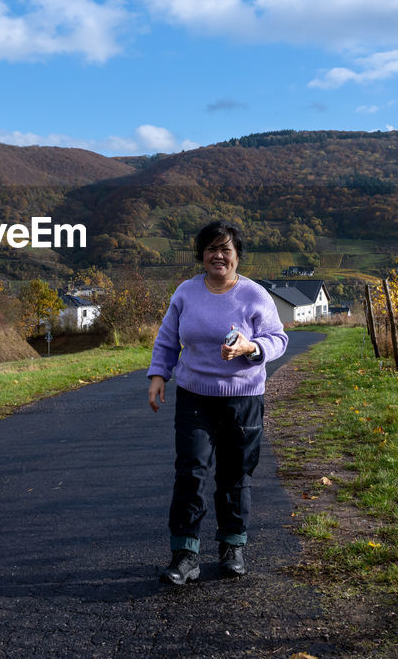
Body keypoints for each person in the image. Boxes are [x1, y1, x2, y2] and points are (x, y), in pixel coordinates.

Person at [146, 220, 288, 584]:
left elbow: (278, 339)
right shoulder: (186, 293)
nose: (218, 255)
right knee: (191, 471)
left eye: (226, 249)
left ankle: (232, 547)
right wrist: (159, 375)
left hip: (243, 399)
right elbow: (167, 339)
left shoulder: (255, 295)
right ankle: (185, 555)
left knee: (235, 474)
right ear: (201, 255)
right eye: (211, 249)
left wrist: (250, 347)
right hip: (195, 396)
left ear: (238, 255)